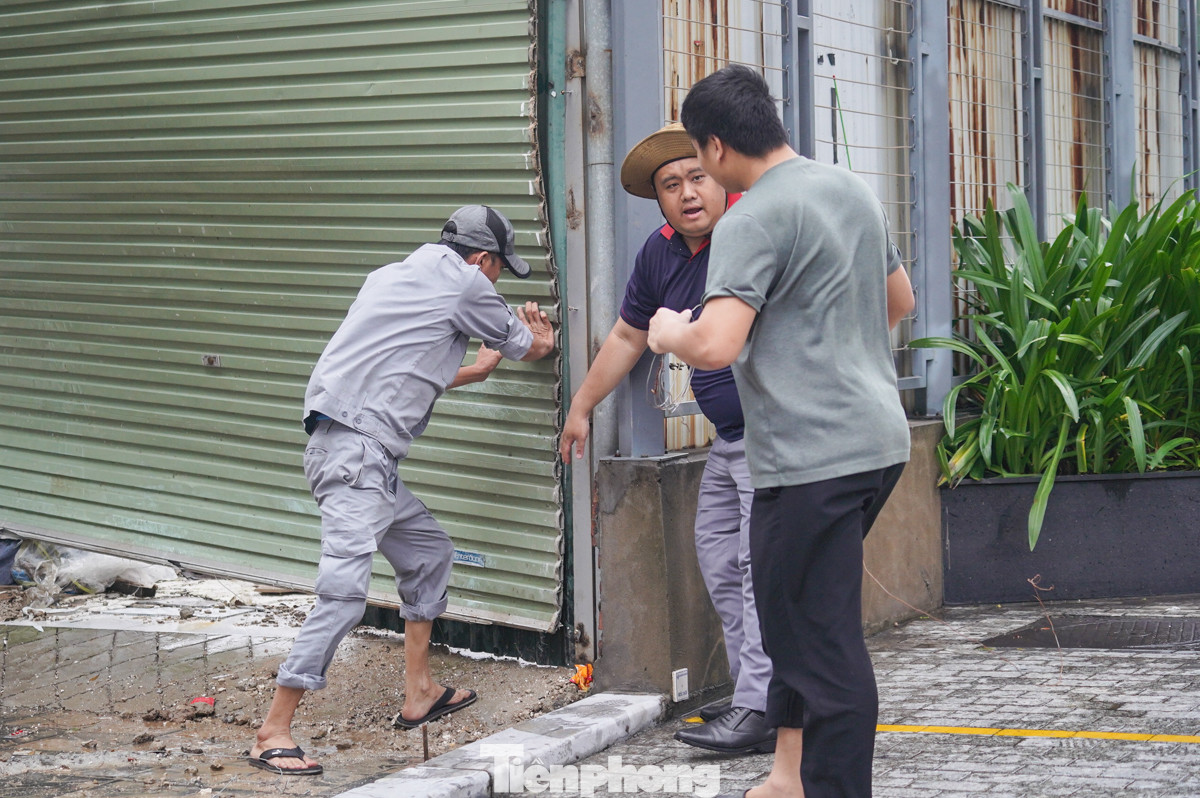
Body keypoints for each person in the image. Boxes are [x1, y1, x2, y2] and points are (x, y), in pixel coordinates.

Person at [648, 65, 914, 798]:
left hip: (810, 459)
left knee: (818, 640)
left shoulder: (752, 216)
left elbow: (718, 344)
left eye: (701, 162)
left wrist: (672, 328)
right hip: (875, 444)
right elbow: (900, 300)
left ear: (718, 145)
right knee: (795, 617)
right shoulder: (850, 189)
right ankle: (789, 776)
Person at [248, 205, 555, 776]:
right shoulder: (466, 282)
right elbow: (525, 346)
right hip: (357, 459)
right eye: (497, 271)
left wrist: (477, 369)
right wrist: (539, 337)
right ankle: (275, 730)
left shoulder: (389, 277)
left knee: (427, 552)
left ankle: (420, 693)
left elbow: (403, 366)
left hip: (357, 454)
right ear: (483, 259)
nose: (493, 281)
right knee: (342, 596)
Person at [560, 122, 775, 755]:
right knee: (719, 560)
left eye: (696, 178)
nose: (686, 194)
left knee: (758, 569)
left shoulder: (751, 232)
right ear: (658, 200)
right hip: (728, 441)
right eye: (670, 185)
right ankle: (753, 697)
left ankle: (764, 707)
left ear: (721, 174)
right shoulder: (659, 252)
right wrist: (581, 406)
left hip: (776, 434)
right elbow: (629, 335)